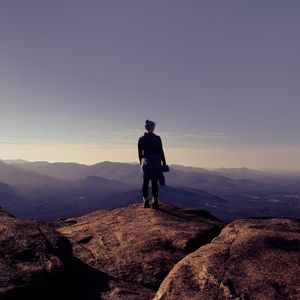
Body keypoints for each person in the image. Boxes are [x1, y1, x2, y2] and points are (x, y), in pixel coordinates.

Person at [138, 120, 167, 209]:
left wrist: (141, 163)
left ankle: (146, 201)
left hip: (146, 162)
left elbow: (140, 154)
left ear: (146, 128)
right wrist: (164, 163)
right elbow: (161, 152)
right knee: (154, 182)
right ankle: (155, 201)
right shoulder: (157, 138)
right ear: (153, 128)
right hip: (156, 162)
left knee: (145, 182)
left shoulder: (141, 139)